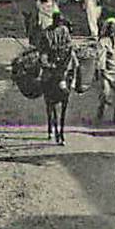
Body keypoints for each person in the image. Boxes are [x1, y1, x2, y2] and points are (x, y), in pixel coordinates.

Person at [37, 9, 79, 146]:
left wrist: (64, 52)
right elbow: (43, 51)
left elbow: (68, 44)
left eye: (60, 22)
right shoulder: (46, 33)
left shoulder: (65, 31)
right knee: (44, 78)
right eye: (57, 21)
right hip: (51, 63)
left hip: (64, 62)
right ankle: (52, 126)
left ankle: (75, 84)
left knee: (75, 66)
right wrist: (49, 60)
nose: (58, 24)